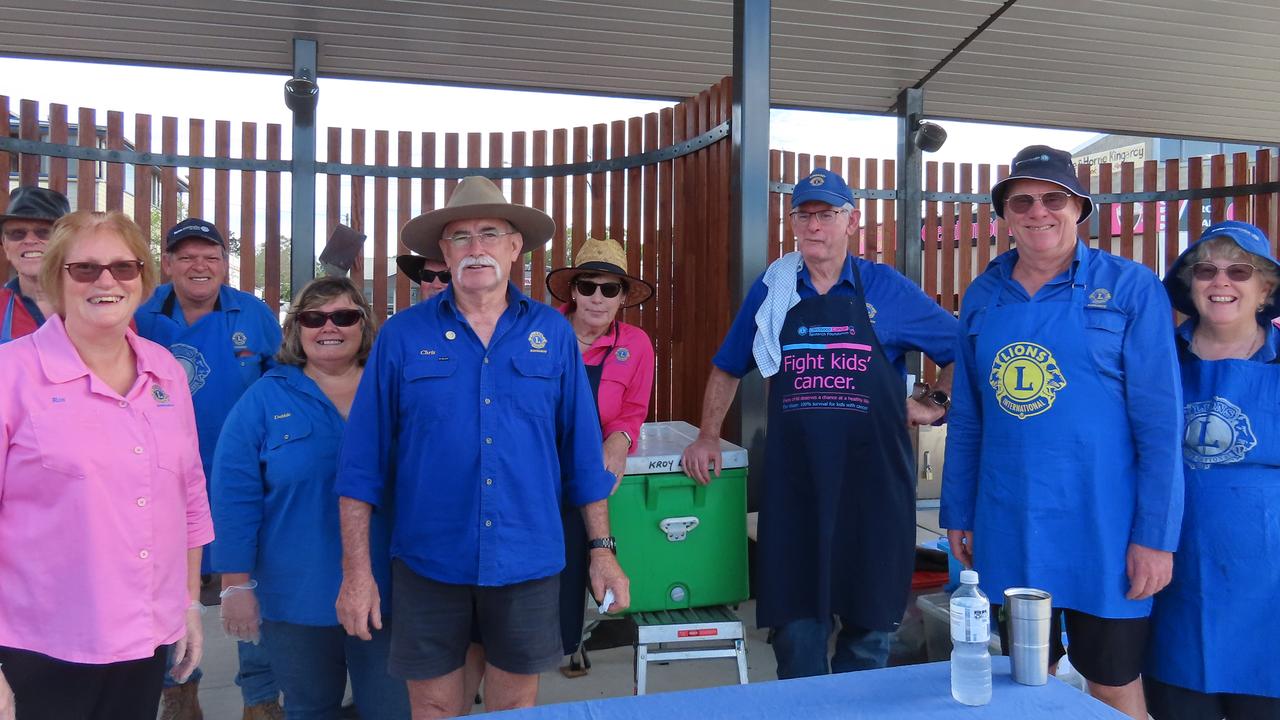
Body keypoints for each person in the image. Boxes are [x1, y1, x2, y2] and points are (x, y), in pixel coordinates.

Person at [335, 176, 630, 719]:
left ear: (515, 247)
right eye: (461, 237)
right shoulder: (402, 336)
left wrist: (602, 552)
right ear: (443, 253)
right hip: (429, 561)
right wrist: (357, 574)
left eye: (490, 234)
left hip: (527, 558)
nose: (476, 249)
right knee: (433, 706)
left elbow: (584, 459)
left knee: (514, 704)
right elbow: (360, 467)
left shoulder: (552, 334)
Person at [681, 168, 958, 679]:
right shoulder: (775, 291)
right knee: (795, 630)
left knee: (870, 628)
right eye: (804, 214)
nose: (814, 226)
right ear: (792, 223)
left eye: (826, 214)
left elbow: (962, 347)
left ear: (851, 220)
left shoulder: (885, 289)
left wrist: (934, 399)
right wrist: (706, 436)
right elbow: (726, 366)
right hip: (796, 489)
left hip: (873, 489)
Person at [940, 145, 1183, 720]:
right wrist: (959, 511)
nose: (1038, 211)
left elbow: (1161, 423)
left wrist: (1157, 535)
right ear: (1004, 214)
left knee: (1116, 687)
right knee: (1026, 685)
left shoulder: (1130, 288)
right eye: (1021, 200)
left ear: (1078, 208)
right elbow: (970, 416)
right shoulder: (982, 295)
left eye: (1053, 198)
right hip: (1011, 521)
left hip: (1106, 527)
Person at [0, 210, 212, 719]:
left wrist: (188, 604)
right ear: (55, 278)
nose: (107, 281)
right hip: (38, 646)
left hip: (144, 638)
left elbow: (188, 496)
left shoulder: (166, 371)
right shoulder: (12, 375)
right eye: (85, 269)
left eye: (124, 267)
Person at [211, 276, 409, 720]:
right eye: (313, 318)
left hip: (390, 592)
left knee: (393, 709)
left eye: (344, 316)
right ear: (295, 329)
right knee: (309, 709)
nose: (329, 327)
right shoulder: (263, 400)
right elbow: (233, 497)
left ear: (364, 325)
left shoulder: (396, 391)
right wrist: (234, 585)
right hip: (296, 597)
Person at [135, 217, 284, 720]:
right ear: (169, 264)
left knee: (248, 589)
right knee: (166, 593)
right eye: (187, 255)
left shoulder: (254, 314)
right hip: (158, 484)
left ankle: (261, 700)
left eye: (211, 256)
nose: (200, 265)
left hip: (241, 483)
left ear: (225, 264)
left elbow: (283, 384)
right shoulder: (140, 314)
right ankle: (179, 693)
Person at [1143, 220, 1280, 719]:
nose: (1221, 282)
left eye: (1240, 271)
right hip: (1172, 574)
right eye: (1206, 271)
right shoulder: (1152, 356)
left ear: (1265, 289)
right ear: (1189, 285)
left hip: (1270, 586)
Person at [0, 186, 70, 342]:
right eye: (17, 233)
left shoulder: (95, 303)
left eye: (43, 232)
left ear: (67, 243)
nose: (29, 240)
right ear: (5, 245)